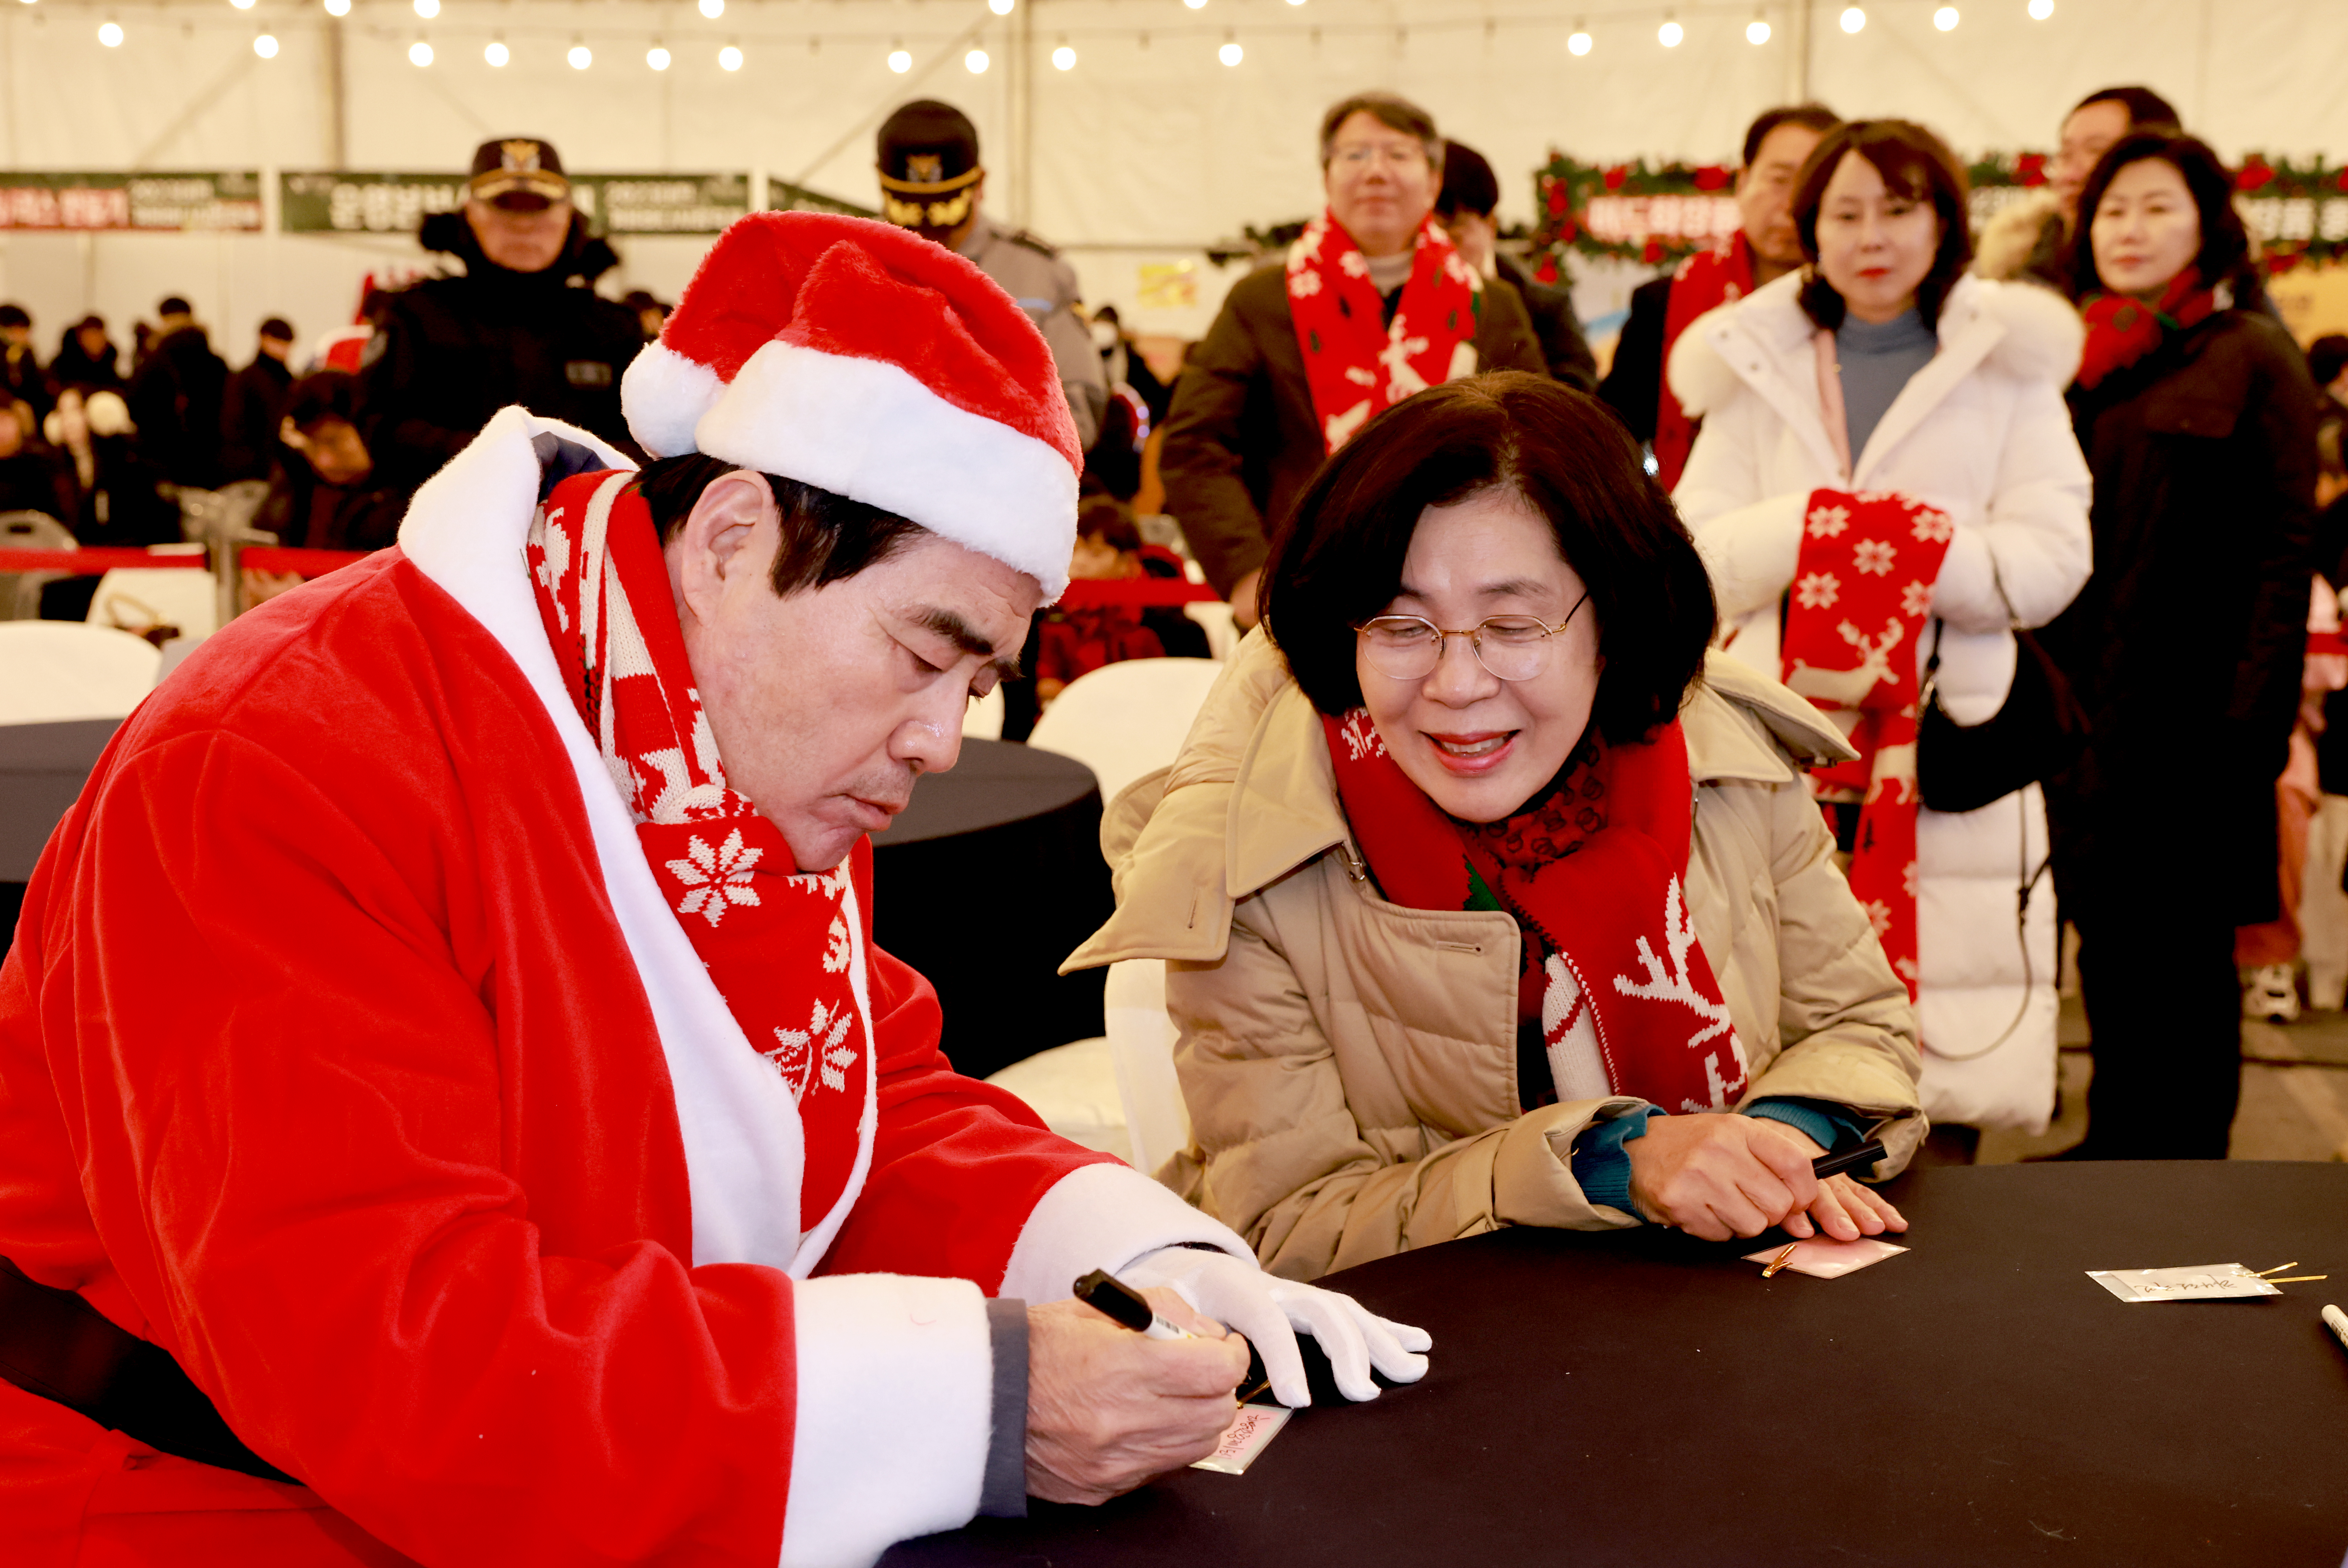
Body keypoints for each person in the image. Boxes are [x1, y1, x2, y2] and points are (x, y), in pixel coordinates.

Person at [0, 211, 1425, 1566]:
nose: (943, 739)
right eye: (927, 652)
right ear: (734, 534)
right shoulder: (278, 761)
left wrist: (1127, 1245)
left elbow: (858, 1107)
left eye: (982, 680)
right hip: (185, 1499)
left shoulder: (705, 710)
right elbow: (393, 1352)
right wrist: (975, 1404)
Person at [1068, 374, 1921, 1278]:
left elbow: (1860, 1027)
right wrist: (1611, 1164)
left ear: (1614, 619)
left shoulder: (1725, 759)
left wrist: (1771, 1148)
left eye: (1512, 623)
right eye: (1401, 624)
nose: (1457, 685)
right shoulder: (1252, 859)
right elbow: (1287, 1226)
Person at [1669, 119, 2092, 1140]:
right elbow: (1688, 555)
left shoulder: (2007, 366)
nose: (1873, 237)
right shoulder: (1754, 360)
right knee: (1777, 993)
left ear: (1943, 221)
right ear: (1806, 226)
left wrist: (1904, 551)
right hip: (1780, 735)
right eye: (1845, 212)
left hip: (1950, 737)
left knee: (1950, 1009)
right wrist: (1818, 533)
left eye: (1899, 210)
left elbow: (2054, 558)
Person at [2035, 130, 2320, 1159]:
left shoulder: (2252, 354)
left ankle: (2187, 1170)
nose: (2131, 229)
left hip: (2198, 723)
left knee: (2187, 966)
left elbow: (2286, 556)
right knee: (2109, 944)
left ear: (2208, 223)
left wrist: (2251, 724)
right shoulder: (2080, 362)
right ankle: (2116, 1145)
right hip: (2087, 716)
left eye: (2158, 206)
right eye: (2113, 209)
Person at [1159, 91, 1544, 630]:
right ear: (1327, 177)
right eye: (1356, 155)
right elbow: (1193, 445)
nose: (1376, 172)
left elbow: (1539, 445)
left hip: (1464, 604)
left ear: (1433, 180)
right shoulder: (1263, 300)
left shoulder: (1491, 305)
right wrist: (1247, 573)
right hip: (1302, 598)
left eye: (1398, 155)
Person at [358, 137, 646, 489]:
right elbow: (380, 429)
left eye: (539, 206)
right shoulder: (416, 318)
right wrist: (509, 459)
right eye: (504, 205)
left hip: (587, 530)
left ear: (571, 216)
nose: (524, 224)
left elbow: (648, 443)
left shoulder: (613, 329)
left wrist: (564, 467)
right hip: (445, 528)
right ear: (469, 215)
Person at [1598, 103, 1839, 491]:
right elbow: (1606, 436)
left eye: (1814, 184)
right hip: (1688, 530)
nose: (1793, 203)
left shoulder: (1860, 309)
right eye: (1780, 179)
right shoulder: (1666, 301)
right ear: (1743, 183)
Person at [876, 100, 1107, 452]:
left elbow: (1080, 409)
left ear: (980, 184)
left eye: (946, 210)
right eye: (907, 209)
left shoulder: (1039, 273)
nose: (926, 228)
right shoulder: (846, 261)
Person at [1973, 85, 2179, 292]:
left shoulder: (2197, 311)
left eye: (2097, 151)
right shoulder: (2009, 278)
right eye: (2066, 154)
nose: (2070, 176)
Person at [1434, 139, 1599, 392]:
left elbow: (1576, 400)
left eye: (1452, 229)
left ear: (1491, 225)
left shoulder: (1543, 308)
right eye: (1422, 232)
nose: (1438, 245)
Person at [239, 370, 412, 608]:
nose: (324, 461)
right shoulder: (299, 484)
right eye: (312, 444)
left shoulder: (405, 505)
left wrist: (298, 603)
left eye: (335, 442)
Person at [123, 295, 230, 490]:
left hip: (164, 467)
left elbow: (135, 409)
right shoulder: (217, 364)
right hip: (211, 464)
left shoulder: (153, 365)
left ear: (163, 320)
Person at [219, 315, 297, 482]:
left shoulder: (287, 380)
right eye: (280, 342)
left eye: (287, 343)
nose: (284, 349)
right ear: (265, 339)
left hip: (276, 464)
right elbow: (235, 426)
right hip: (256, 467)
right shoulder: (247, 380)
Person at [0, 303, 49, 426]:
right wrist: (12, 403)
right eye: (21, 330)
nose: (27, 336)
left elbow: (35, 385)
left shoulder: (25, 353)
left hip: (24, 405)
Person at [46, 315, 120, 394]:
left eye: (100, 336)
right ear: (81, 337)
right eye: (92, 336)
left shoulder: (108, 363)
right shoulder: (62, 366)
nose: (96, 342)